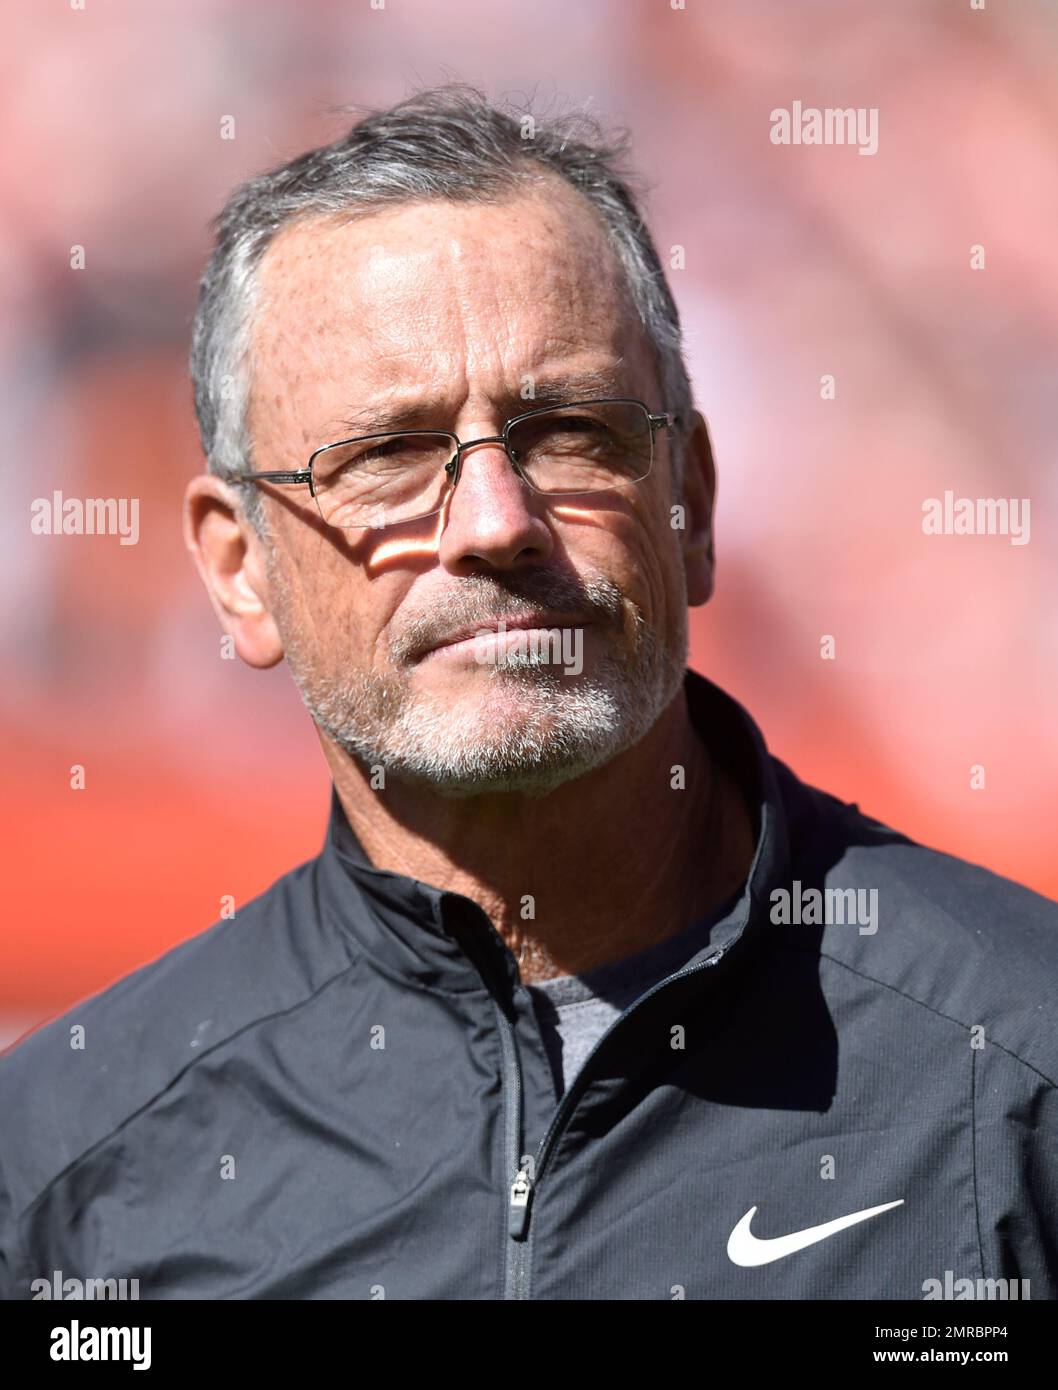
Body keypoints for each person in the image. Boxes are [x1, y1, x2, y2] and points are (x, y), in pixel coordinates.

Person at [2, 85, 1056, 1303]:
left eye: (567, 430)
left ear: (693, 502)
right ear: (241, 570)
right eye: (387, 453)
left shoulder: (1017, 1068)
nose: (496, 522)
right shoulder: (69, 1168)